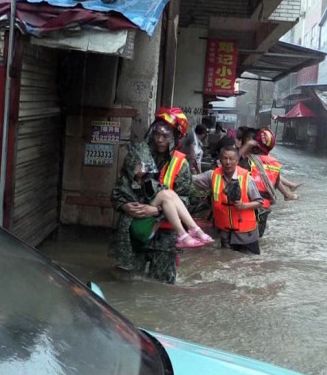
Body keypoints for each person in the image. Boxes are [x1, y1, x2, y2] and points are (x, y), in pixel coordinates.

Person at [110, 107, 212, 272]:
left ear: (175, 137)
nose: (159, 139)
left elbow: (185, 201)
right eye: (157, 134)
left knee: (162, 283)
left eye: (165, 136)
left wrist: (156, 211)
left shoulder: (181, 164)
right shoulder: (137, 156)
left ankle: (189, 233)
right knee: (127, 278)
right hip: (132, 230)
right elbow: (117, 192)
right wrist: (123, 206)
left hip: (166, 237)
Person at [192, 146, 264, 254]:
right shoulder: (212, 175)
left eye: (231, 159)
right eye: (225, 158)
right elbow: (192, 180)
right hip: (225, 233)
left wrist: (244, 205)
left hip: (246, 234)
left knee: (251, 263)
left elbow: (259, 202)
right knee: (226, 262)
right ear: (220, 160)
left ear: (237, 160)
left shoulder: (246, 178)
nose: (228, 162)